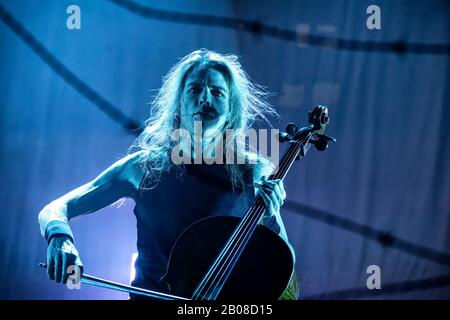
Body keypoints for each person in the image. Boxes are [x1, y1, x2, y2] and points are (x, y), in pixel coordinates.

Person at [38, 49, 297, 299]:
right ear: (178, 103)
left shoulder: (252, 171)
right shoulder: (144, 167)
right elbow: (56, 208)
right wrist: (60, 237)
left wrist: (271, 212)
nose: (205, 99)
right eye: (195, 89)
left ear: (230, 109)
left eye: (217, 92)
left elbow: (285, 268)